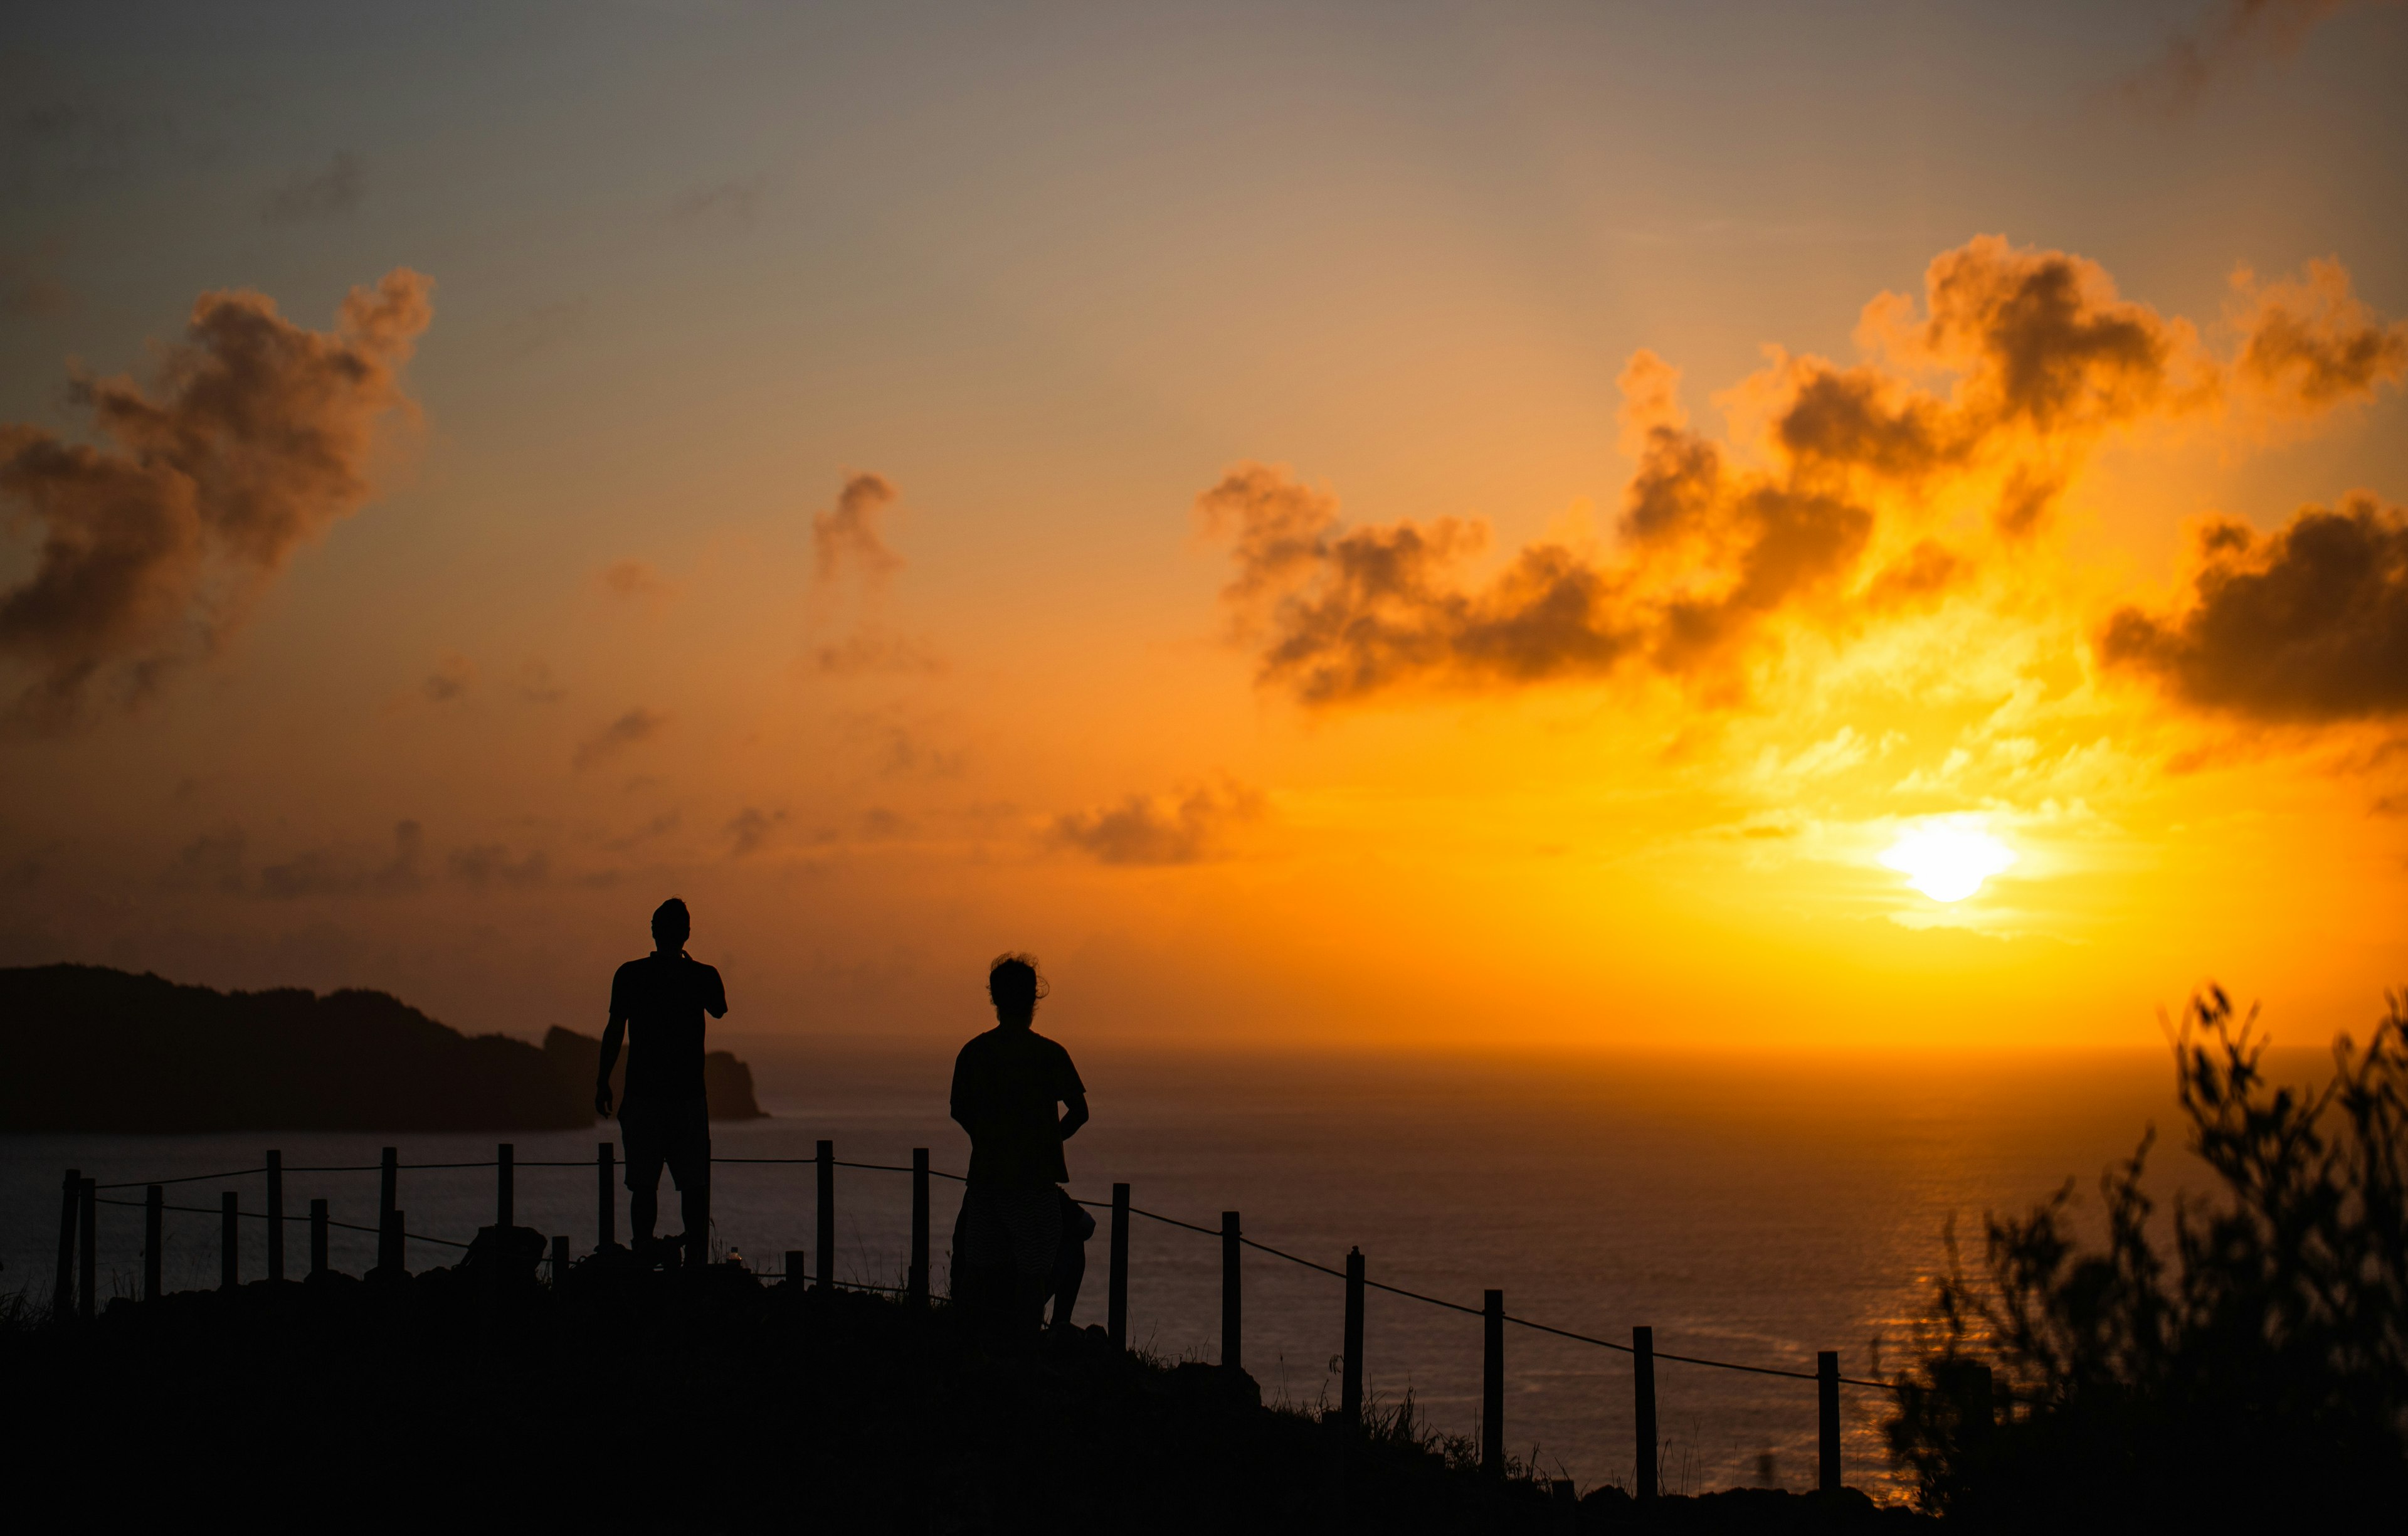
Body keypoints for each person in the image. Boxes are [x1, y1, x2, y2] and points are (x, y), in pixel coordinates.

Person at [949, 953, 1088, 1359]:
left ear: (995, 997)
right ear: (1033, 999)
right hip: (1034, 1183)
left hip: (987, 1179)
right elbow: (1079, 1112)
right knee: (1032, 1275)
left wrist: (989, 1137)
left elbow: (960, 1109)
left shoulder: (975, 1052)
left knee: (978, 1270)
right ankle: (1025, 1354)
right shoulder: (1049, 1054)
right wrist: (1048, 1140)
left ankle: (972, 1354)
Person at [596, 898, 727, 1269]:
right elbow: (719, 1007)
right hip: (686, 1097)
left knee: (643, 1184)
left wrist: (602, 1081)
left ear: (654, 931)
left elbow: (613, 1031)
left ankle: (642, 1252)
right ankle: (695, 1263)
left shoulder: (630, 974)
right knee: (692, 1185)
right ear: (687, 933)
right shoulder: (702, 976)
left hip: (643, 1095)